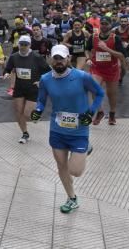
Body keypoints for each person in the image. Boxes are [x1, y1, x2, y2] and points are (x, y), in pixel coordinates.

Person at [32, 44, 105, 213]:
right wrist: (38, 111)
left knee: (76, 171)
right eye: (55, 58)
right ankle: (72, 198)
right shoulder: (45, 79)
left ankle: (86, 148)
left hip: (79, 130)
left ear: (68, 59)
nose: (58, 62)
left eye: (61, 58)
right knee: (62, 167)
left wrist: (91, 111)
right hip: (57, 130)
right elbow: (41, 100)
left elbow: (100, 93)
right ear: (50, 59)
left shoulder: (82, 77)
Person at [3, 35, 49, 143]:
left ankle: (36, 115)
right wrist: (6, 74)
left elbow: (48, 71)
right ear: (18, 44)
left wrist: (41, 81)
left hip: (33, 88)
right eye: (21, 44)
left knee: (28, 114)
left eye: (25, 45)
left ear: (29, 45)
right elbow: (8, 69)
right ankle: (25, 133)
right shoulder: (14, 57)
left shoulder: (37, 57)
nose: (23, 47)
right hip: (19, 88)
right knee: (18, 112)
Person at [84, 17, 127, 125]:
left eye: (106, 23)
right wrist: (88, 58)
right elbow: (87, 49)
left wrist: (106, 49)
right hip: (97, 68)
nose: (103, 25)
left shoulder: (115, 38)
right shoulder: (93, 37)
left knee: (111, 94)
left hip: (111, 69)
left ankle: (112, 114)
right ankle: (100, 112)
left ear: (110, 25)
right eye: (102, 23)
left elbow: (121, 55)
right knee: (94, 88)